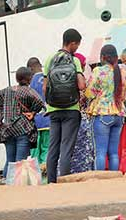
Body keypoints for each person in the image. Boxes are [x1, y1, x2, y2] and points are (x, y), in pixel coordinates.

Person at [43, 29, 86, 183]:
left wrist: (50, 104)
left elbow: (44, 87)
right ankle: (65, 181)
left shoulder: (49, 59)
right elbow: (81, 86)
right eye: (77, 45)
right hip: (71, 110)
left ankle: (51, 182)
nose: (77, 48)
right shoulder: (74, 61)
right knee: (66, 148)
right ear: (72, 43)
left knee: (53, 147)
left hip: (54, 111)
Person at [0, 67, 45, 178]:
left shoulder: (7, 90)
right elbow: (40, 103)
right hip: (22, 129)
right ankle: (17, 189)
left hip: (7, 130)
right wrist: (32, 112)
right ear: (29, 79)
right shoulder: (28, 91)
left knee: (10, 161)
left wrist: (1, 114)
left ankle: (6, 184)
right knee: (20, 162)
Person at [86, 45, 126, 171]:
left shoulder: (98, 71)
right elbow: (125, 95)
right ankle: (114, 180)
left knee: (100, 152)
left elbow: (90, 93)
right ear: (116, 58)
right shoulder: (124, 73)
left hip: (102, 114)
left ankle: (100, 182)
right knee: (114, 153)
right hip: (119, 114)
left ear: (103, 57)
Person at [27, 57, 50, 167]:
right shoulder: (48, 79)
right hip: (48, 120)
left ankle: (35, 176)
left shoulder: (30, 83)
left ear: (30, 69)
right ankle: (46, 175)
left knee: (35, 150)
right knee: (46, 149)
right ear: (40, 65)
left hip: (35, 122)